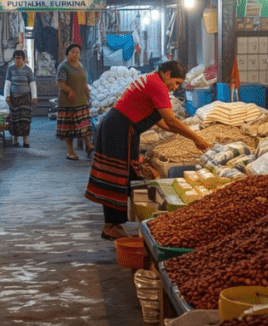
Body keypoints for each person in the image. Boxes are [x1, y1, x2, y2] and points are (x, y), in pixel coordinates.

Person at [85, 60, 210, 240]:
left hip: (118, 126)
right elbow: (171, 120)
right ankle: (111, 226)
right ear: (167, 74)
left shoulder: (151, 80)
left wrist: (183, 133)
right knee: (117, 176)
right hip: (120, 128)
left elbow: (161, 121)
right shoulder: (157, 85)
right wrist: (196, 138)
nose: (175, 88)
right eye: (175, 83)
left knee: (126, 175)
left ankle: (123, 223)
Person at [56, 43, 93, 160]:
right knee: (69, 129)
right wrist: (69, 90)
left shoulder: (80, 65)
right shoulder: (63, 67)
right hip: (68, 103)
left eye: (78, 53)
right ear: (68, 53)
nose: (76, 55)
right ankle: (70, 151)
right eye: (73, 52)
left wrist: (87, 92)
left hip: (81, 101)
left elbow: (84, 81)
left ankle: (88, 146)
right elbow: (60, 83)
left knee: (84, 126)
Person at [4, 50, 37, 147]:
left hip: (25, 98)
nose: (18, 61)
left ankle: (25, 139)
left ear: (23, 59)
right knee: (14, 120)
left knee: (25, 120)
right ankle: (15, 139)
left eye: (20, 58)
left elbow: (32, 84)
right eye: (16, 58)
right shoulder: (11, 69)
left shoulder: (28, 70)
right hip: (14, 99)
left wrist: (34, 97)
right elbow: (7, 83)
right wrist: (7, 95)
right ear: (13, 59)